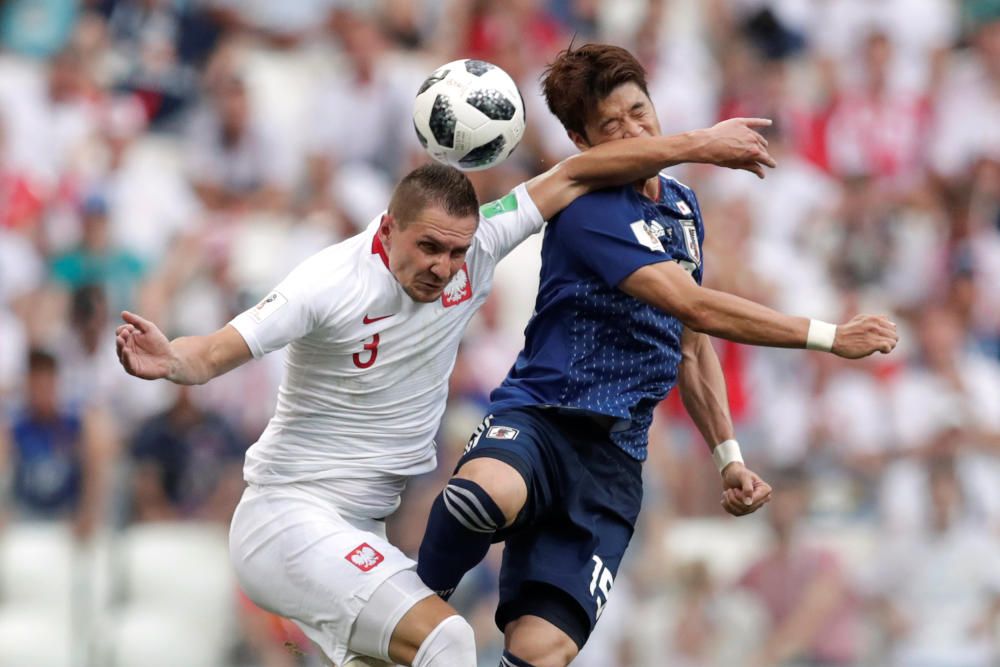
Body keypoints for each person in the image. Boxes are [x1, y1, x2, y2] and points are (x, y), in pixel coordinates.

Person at [115, 120, 777, 667]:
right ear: (386, 231)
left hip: (360, 530)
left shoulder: (478, 249)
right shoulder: (329, 283)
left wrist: (697, 146)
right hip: (288, 518)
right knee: (451, 639)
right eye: (428, 247)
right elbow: (216, 349)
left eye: (455, 252)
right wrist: (172, 357)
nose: (443, 267)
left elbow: (578, 173)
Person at [415, 43, 899, 667]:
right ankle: (404, 609)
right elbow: (694, 305)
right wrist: (831, 336)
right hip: (543, 418)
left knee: (543, 652)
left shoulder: (680, 206)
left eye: (639, 111)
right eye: (611, 127)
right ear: (581, 140)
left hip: (613, 463)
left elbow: (691, 347)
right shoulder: (586, 205)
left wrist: (728, 457)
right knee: (482, 495)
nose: (634, 130)